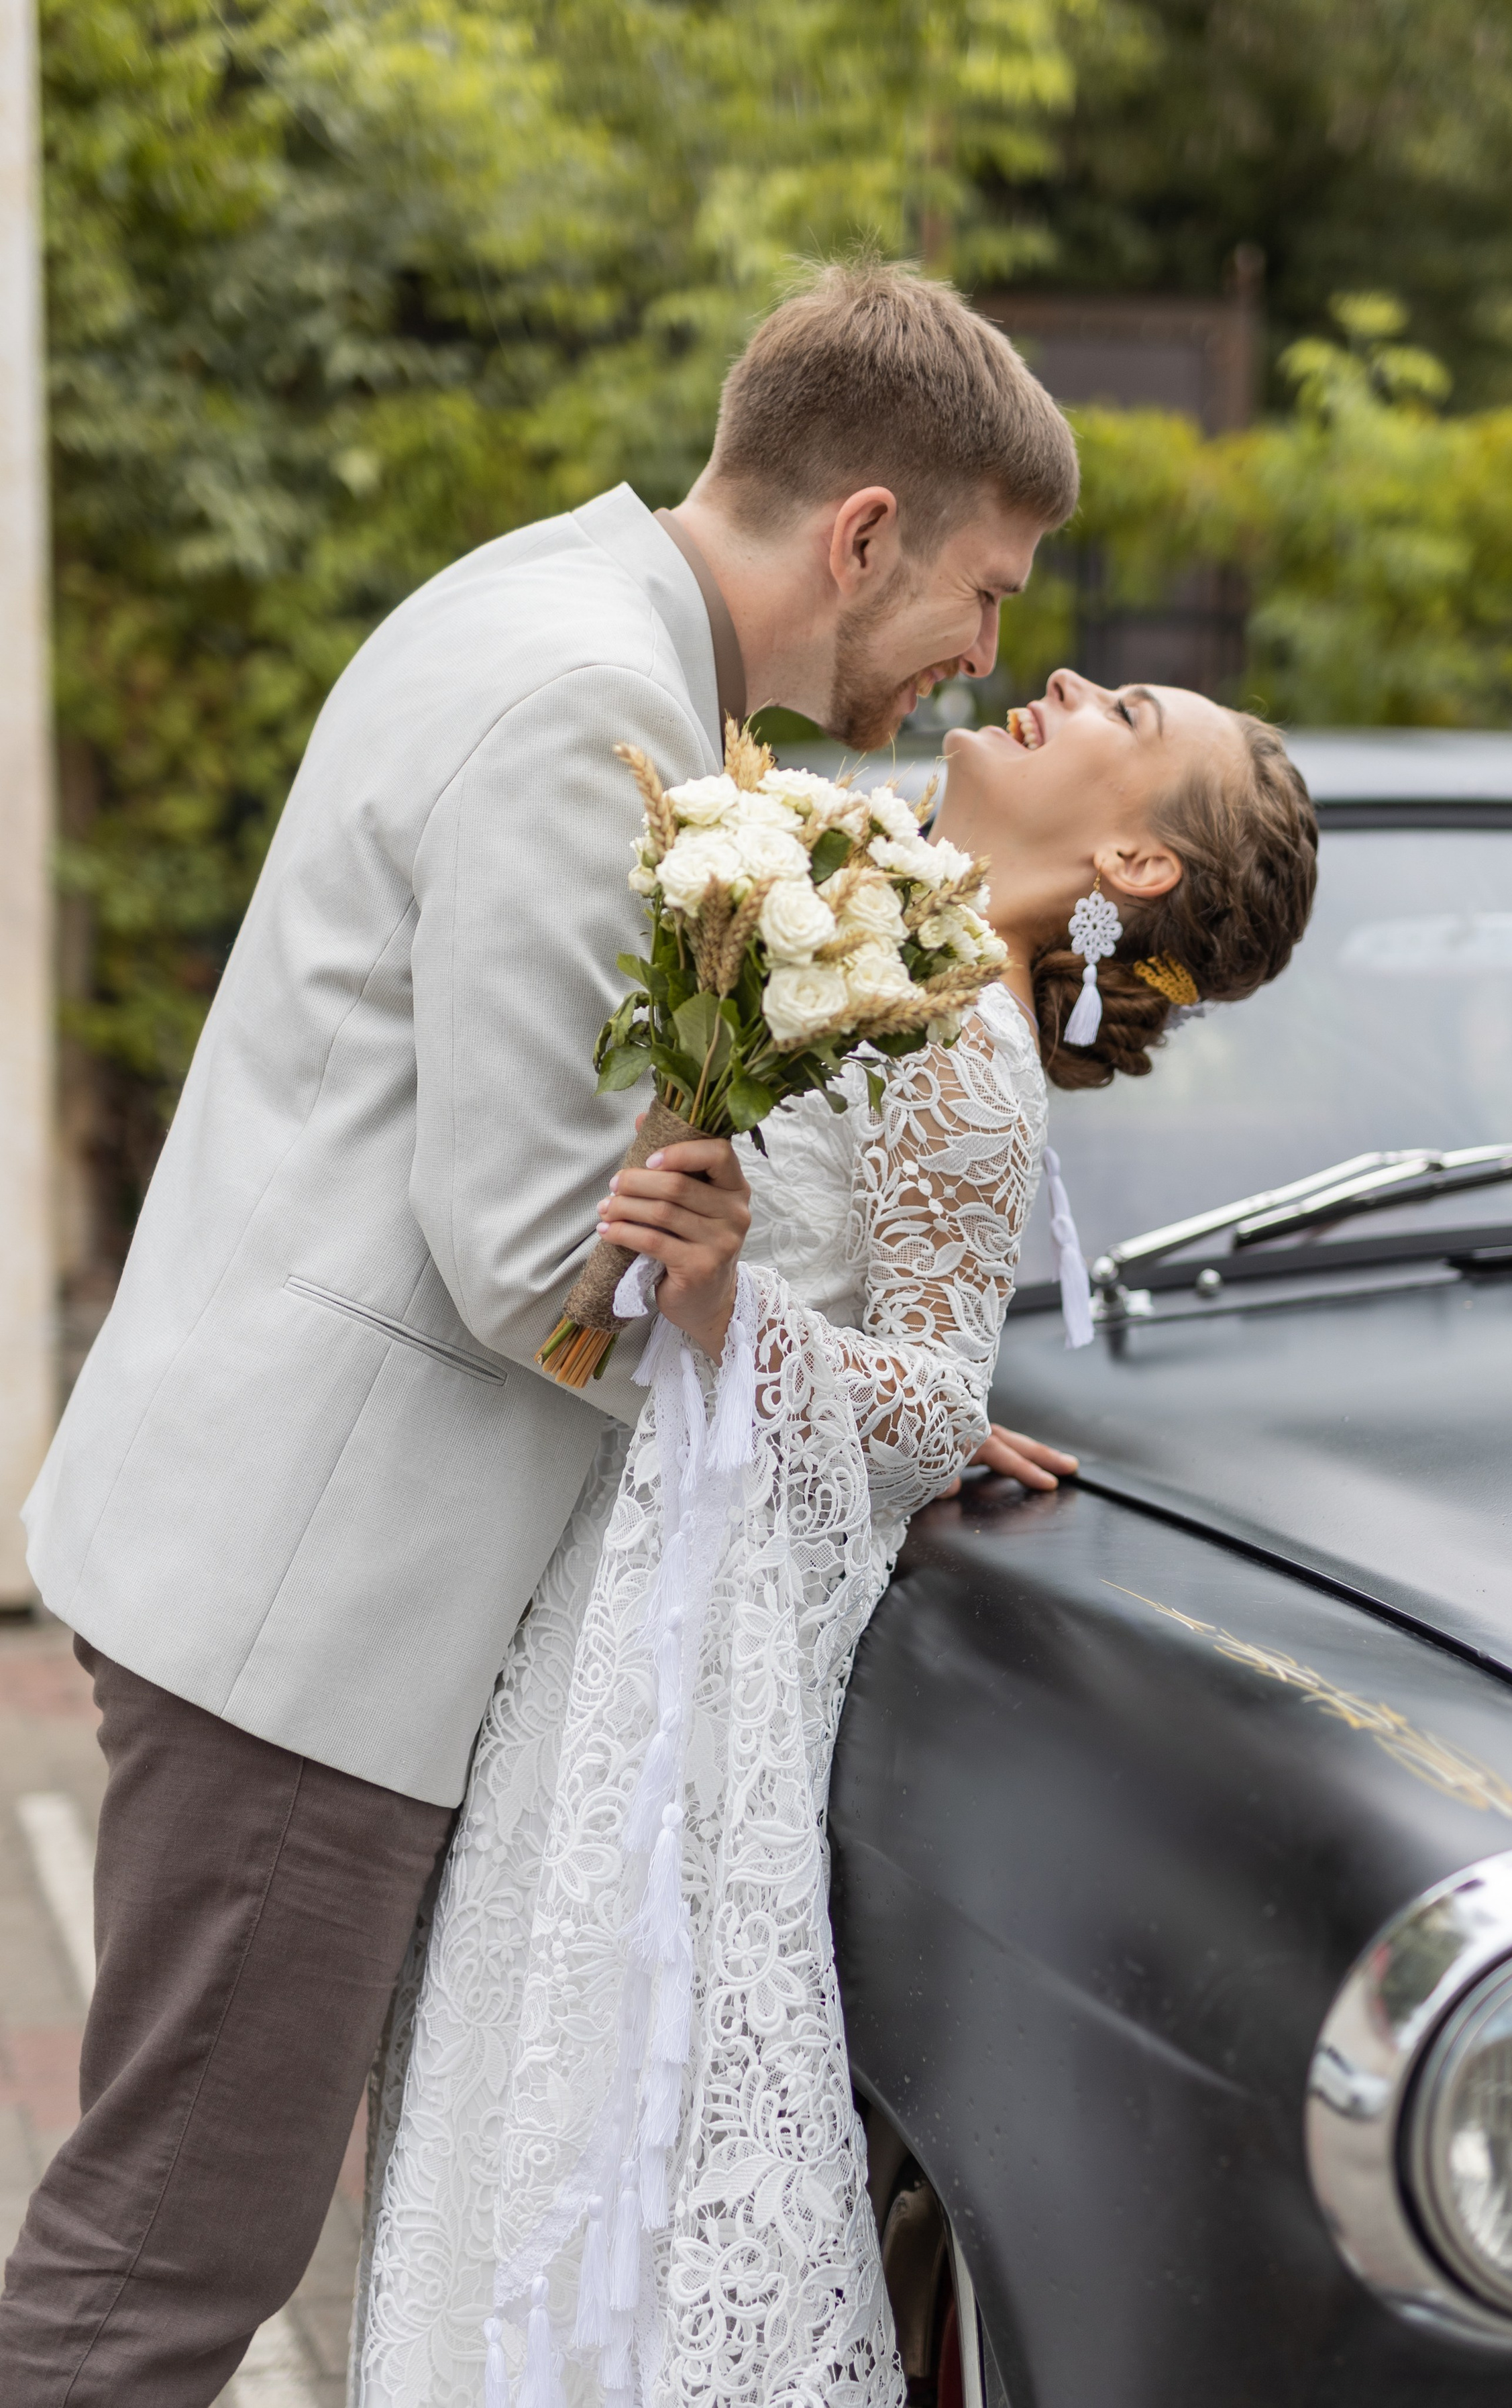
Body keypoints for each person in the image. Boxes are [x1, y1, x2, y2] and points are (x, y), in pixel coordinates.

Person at [0, 262, 1082, 2404]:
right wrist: (806, 1381)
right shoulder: (590, 708)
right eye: (983, 592)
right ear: (865, 533)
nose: (984, 656)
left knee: (176, 2236)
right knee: (164, 2264)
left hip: (267, 1541)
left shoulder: (557, 608)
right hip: (313, 1609)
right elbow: (531, 1262)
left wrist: (829, 1385)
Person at [350, 669, 1319, 2405]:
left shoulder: (974, 1049)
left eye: (1126, 711)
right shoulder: (886, 949)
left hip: (704, 1624)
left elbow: (932, 1399)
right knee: (532, 2055)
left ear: (1135, 863)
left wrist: (733, 1309)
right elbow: (914, 1366)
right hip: (624, 1561)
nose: (1064, 679)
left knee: (612, 2085)